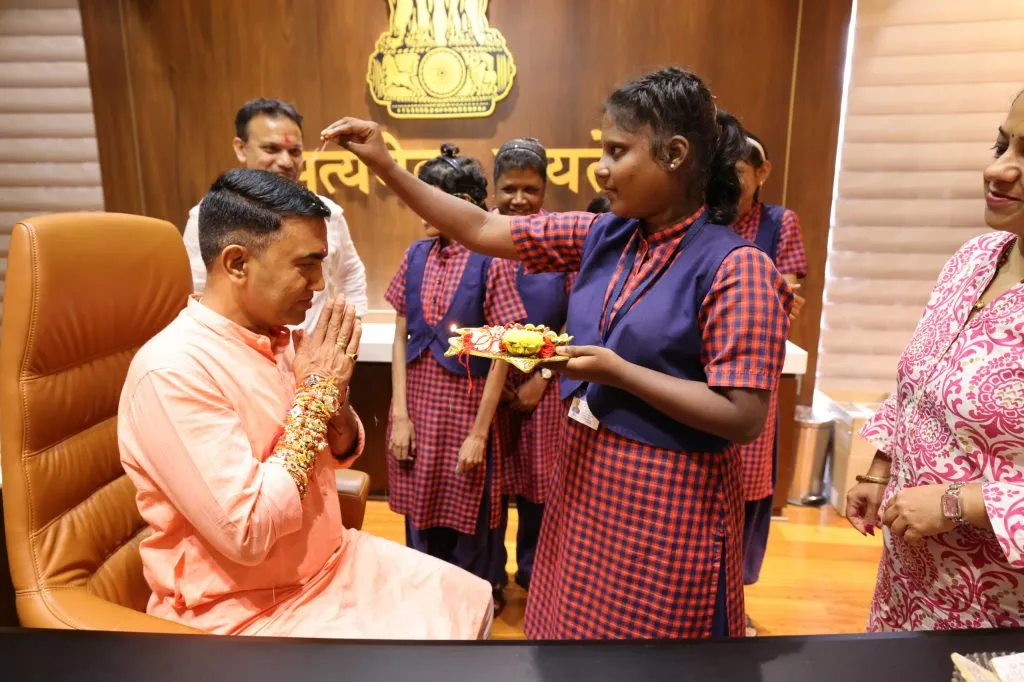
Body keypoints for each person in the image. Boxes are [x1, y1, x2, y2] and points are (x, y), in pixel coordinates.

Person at [321, 65, 793, 639]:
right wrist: (386, 165)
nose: (601, 168)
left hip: (668, 503)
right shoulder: (608, 234)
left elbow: (743, 416)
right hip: (585, 484)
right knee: (568, 640)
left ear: (673, 154)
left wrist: (622, 374)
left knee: (649, 655)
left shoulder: (737, 266)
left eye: (617, 151)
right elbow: (479, 227)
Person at [118, 168, 493, 639]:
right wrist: (316, 395)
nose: (319, 284)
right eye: (306, 264)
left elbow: (341, 450)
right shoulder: (174, 371)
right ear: (237, 263)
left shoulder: (278, 337)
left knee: (472, 599)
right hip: (246, 609)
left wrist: (332, 399)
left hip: (329, 563)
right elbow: (248, 531)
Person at [845, 89, 1024, 632]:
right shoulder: (973, 258)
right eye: (1002, 143)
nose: (997, 169)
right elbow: (919, 383)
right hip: (911, 583)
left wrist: (959, 503)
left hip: (1000, 611)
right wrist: (880, 469)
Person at [385, 144, 527, 613]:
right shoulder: (414, 254)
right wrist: (400, 416)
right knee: (420, 508)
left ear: (463, 203)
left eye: (432, 197)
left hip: (466, 413)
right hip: (419, 413)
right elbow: (401, 338)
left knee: (470, 512)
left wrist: (480, 434)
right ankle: (426, 605)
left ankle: (473, 606)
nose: (421, 207)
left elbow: (504, 347)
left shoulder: (493, 258)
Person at [719, 112, 809, 637]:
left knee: (749, 491)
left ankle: (736, 597)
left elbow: (788, 292)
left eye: (740, 174)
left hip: (754, 371)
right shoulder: (709, 218)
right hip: (706, 370)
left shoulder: (780, 223)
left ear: (762, 173)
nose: (731, 185)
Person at [182, 98, 368, 331]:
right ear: (241, 148)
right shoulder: (208, 217)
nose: (286, 162)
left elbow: (350, 275)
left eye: (295, 151)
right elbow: (198, 291)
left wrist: (345, 336)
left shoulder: (328, 214)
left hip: (313, 360)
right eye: (271, 149)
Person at [491, 137, 573, 592]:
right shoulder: (477, 236)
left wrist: (543, 377)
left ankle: (535, 574)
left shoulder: (560, 240)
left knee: (540, 488)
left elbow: (577, 316)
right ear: (494, 188)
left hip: (545, 389)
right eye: (509, 189)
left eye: (530, 189)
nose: (519, 200)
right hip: (486, 390)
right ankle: (491, 576)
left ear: (544, 189)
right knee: (491, 486)